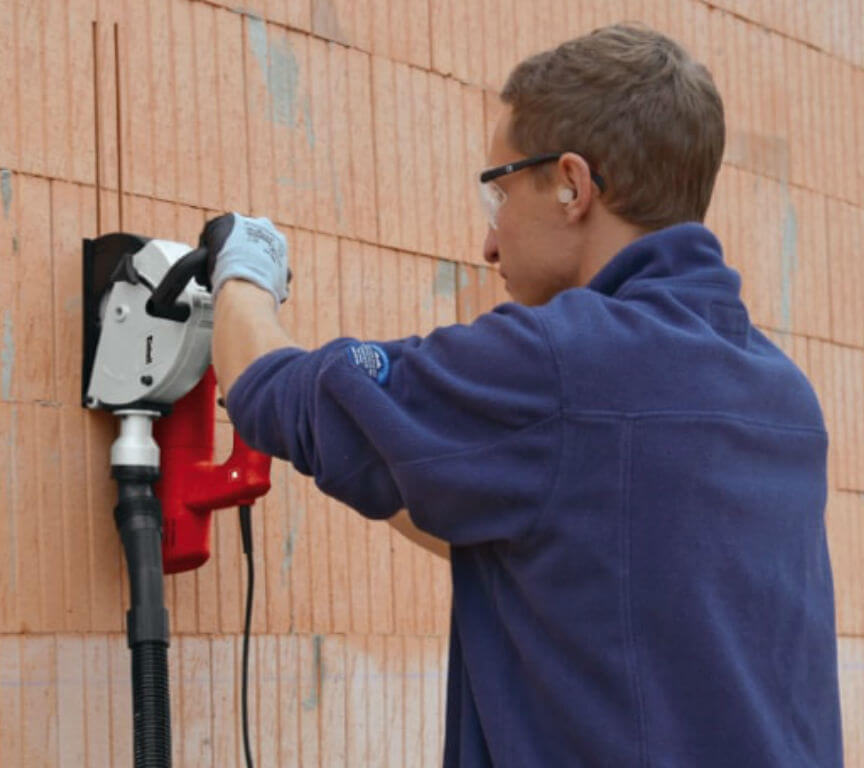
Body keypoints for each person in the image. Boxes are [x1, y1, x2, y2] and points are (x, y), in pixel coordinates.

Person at [200, 22, 843, 768]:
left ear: (572, 183)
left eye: (497, 192)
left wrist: (242, 277)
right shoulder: (781, 396)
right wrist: (416, 465)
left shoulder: (563, 364)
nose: (490, 242)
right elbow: (559, 548)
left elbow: (285, 395)